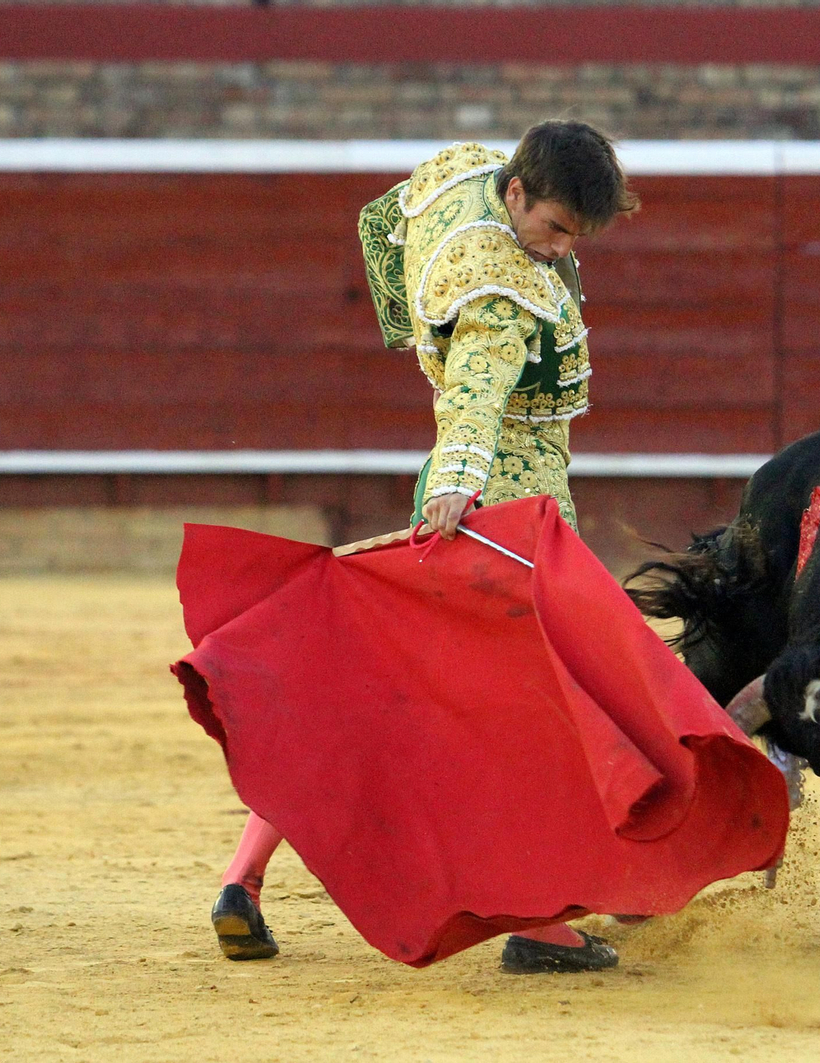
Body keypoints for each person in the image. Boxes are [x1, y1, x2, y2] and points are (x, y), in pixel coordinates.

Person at [209, 121, 639, 974]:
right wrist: (461, 480)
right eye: (553, 228)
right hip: (512, 517)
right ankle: (538, 920)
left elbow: (382, 222)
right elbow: (480, 392)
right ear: (517, 195)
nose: (556, 252)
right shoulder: (501, 288)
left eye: (574, 238)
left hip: (456, 493)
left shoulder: (465, 172)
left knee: (374, 701)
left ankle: (242, 879)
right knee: (543, 715)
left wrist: (417, 344)